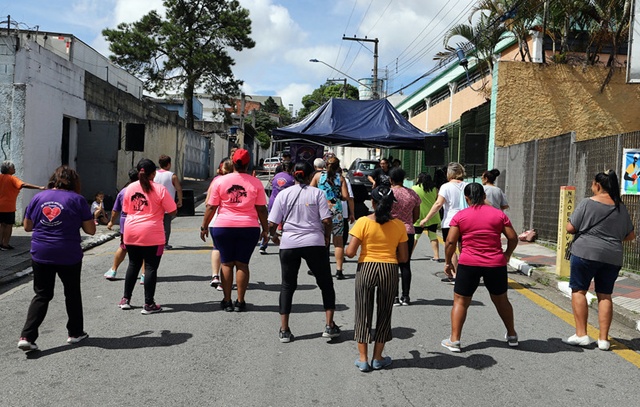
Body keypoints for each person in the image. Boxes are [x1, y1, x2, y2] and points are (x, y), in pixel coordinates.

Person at [17, 166, 96, 352]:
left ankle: (27, 336)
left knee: (42, 294)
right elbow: (91, 230)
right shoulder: (77, 200)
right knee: (72, 293)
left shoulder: (38, 198)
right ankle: (75, 332)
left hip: (41, 252)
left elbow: (27, 227)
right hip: (68, 253)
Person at [440, 182, 518, 352]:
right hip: (495, 263)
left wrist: (447, 262)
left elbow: (451, 242)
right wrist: (507, 255)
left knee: (460, 301)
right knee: (501, 299)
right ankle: (512, 335)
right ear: (484, 197)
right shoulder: (498, 215)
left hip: (468, 264)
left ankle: (454, 340)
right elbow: (513, 238)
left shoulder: (460, 216)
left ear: (466, 199)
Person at [269, 161, 341, 343]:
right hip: (314, 242)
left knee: (287, 285)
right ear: (310, 176)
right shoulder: (317, 193)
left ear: (293, 175)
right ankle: (329, 325)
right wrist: (326, 238)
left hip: (289, 243)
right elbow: (326, 220)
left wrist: (274, 237)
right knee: (325, 283)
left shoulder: (283, 194)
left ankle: (284, 330)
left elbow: (271, 223)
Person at [564, 170, 635, 351]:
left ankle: (581, 334)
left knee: (579, 290)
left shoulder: (587, 203)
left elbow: (571, 228)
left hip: (585, 253)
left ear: (597, 185)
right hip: (612, 255)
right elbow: (630, 235)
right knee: (605, 294)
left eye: (592, 183)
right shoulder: (621, 207)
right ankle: (604, 339)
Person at [346, 186, 408, 372]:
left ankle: (363, 359)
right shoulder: (399, 225)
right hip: (389, 268)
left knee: (363, 312)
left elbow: (349, 252)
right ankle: (377, 358)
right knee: (384, 313)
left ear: (372, 202)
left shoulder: (363, 222)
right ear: (391, 205)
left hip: (366, 267)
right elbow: (404, 258)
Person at [200, 149, 269, 312]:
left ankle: (227, 300)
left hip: (223, 226)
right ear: (247, 163)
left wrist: (204, 226)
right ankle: (240, 301)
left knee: (226, 263)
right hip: (249, 227)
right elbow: (261, 209)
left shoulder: (220, 182)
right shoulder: (255, 182)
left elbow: (211, 206)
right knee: (242, 264)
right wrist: (265, 229)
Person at [117, 158, 177, 314]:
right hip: (152, 233)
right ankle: (148, 304)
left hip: (131, 231)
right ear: (154, 173)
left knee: (133, 264)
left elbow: (126, 209)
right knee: (150, 267)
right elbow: (172, 211)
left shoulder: (130, 188)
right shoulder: (159, 189)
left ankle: (126, 299)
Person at [419, 162, 467, 282]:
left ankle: (455, 274)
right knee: (464, 248)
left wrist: (426, 219)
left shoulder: (446, 186)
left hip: (451, 221)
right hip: (467, 220)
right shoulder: (468, 185)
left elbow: (438, 204)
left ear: (450, 173)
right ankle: (465, 273)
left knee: (451, 248)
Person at [311, 156, 350, 280]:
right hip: (337, 211)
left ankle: (321, 267)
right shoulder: (341, 178)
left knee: (321, 240)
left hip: (321, 211)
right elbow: (345, 196)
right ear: (338, 166)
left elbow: (311, 191)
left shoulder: (318, 177)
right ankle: (339, 270)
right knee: (338, 242)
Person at [389, 167, 421, 306]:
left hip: (391, 230)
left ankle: (394, 296)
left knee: (392, 264)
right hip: (408, 230)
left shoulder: (389, 193)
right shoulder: (412, 194)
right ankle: (406, 296)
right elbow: (416, 216)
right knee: (405, 264)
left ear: (391, 179)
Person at [0, 161, 45, 250]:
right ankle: (5, 244)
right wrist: (39, 187)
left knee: (1, 225)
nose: (15, 169)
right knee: (8, 225)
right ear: (9, 169)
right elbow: (23, 184)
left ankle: (0, 242)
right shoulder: (12, 178)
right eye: (13, 167)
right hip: (8, 207)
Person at [104, 169, 139, 280]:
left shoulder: (123, 191)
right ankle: (143, 275)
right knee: (144, 249)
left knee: (124, 247)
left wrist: (111, 222)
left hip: (126, 222)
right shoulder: (144, 190)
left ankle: (113, 270)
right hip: (141, 221)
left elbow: (115, 210)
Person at [207, 158, 234, 290]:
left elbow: (208, 203)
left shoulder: (216, 181)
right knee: (229, 252)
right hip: (232, 221)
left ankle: (215, 276)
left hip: (215, 221)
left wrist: (204, 224)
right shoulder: (239, 181)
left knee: (216, 247)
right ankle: (224, 281)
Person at [260, 161, 295, 254]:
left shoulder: (276, 176)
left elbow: (272, 185)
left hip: (273, 201)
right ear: (292, 168)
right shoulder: (292, 179)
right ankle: (286, 245)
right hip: (285, 203)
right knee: (286, 225)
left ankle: (263, 245)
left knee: (269, 224)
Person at [153, 154, 183, 250]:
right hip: (167, 205)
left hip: (155, 204)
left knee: (156, 223)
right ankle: (164, 243)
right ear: (169, 164)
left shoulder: (154, 174)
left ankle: (155, 241)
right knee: (166, 224)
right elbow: (178, 189)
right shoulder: (172, 176)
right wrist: (180, 200)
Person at [412, 173, 442, 261]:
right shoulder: (434, 189)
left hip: (419, 215)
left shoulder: (414, 188)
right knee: (433, 236)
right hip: (433, 215)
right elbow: (436, 200)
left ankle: (408, 255)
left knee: (415, 236)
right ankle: (436, 256)